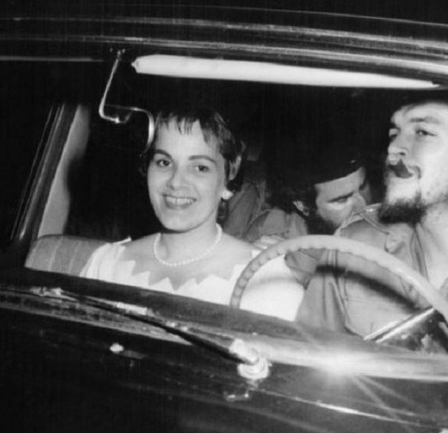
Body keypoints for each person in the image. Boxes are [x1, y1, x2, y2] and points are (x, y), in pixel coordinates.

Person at [296, 98, 448, 354]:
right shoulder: (353, 247)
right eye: (394, 134)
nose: (393, 150)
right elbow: (306, 364)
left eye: (422, 133)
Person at [81, 107, 303, 320]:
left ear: (227, 180)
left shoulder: (265, 278)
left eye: (200, 168)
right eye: (164, 162)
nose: (176, 182)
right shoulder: (106, 265)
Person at [243, 140, 373, 242]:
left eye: (363, 188)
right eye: (342, 200)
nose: (363, 206)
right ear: (304, 206)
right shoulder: (272, 233)